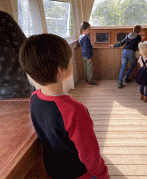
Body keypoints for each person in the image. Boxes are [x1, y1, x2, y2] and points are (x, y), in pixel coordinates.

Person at [19, 34, 109, 179]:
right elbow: (90, 156)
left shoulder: (34, 98)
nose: (71, 63)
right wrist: (102, 175)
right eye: (70, 60)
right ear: (61, 70)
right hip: (79, 174)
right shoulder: (74, 110)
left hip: (54, 171)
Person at [0, 10, 35, 99]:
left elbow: (25, 48)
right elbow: (25, 48)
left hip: (14, 90)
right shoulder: (3, 18)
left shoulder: (3, 19)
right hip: (15, 90)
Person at [79, 22, 98, 86]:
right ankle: (90, 82)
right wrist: (89, 57)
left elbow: (83, 47)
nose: (90, 30)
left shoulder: (81, 36)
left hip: (83, 56)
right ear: (84, 30)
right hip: (87, 56)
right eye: (89, 29)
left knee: (86, 68)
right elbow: (86, 49)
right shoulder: (86, 38)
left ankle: (87, 80)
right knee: (90, 69)